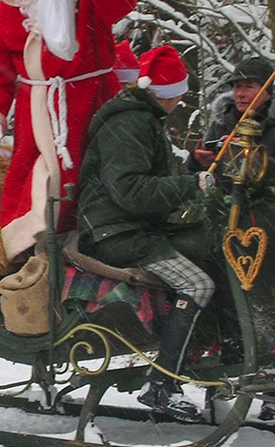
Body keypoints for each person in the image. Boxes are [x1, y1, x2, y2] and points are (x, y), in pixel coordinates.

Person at [0, 0, 138, 263]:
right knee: (41, 180)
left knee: (100, 174)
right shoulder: (7, 13)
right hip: (39, 112)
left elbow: (122, 4)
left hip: (96, 101)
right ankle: (33, 245)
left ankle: (100, 241)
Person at [76, 45, 218, 423]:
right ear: (170, 93)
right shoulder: (131, 123)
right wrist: (190, 185)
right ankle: (161, 385)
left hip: (126, 228)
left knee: (205, 255)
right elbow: (131, 191)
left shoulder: (141, 119)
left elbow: (145, 183)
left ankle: (190, 368)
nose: (183, 98)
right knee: (199, 286)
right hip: (114, 233)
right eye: (181, 92)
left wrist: (189, 172)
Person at [189, 56, 275, 422]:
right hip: (221, 231)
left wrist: (255, 160)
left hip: (267, 234)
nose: (240, 93)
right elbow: (207, 174)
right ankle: (221, 388)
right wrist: (199, 161)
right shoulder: (221, 123)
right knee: (224, 310)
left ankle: (274, 392)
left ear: (268, 92)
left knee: (268, 311)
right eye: (237, 86)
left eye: (249, 86)